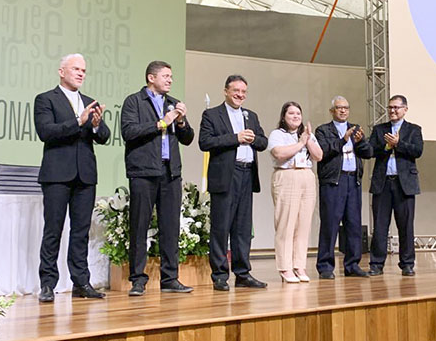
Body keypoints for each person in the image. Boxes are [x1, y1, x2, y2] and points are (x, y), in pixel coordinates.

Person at [34, 53, 110, 303]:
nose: (80, 73)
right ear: (61, 71)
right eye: (76, 69)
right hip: (57, 174)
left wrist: (97, 124)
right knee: (53, 230)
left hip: (85, 176)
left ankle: (81, 282)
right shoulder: (46, 99)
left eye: (84, 70)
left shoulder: (89, 102)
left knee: (80, 232)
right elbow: (46, 131)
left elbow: (104, 136)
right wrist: (79, 121)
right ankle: (47, 283)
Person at [121, 61, 195, 296]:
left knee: (170, 227)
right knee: (140, 226)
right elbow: (129, 132)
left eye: (171, 76)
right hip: (143, 171)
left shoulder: (173, 103)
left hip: (170, 172)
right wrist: (162, 122)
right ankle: (138, 280)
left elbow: (188, 138)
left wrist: (181, 121)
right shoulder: (134, 101)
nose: (170, 80)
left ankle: (170, 278)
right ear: (151, 78)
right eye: (165, 76)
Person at [199, 75, 268, 291]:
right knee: (221, 227)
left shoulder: (251, 116)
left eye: (243, 92)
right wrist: (235, 138)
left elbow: (263, 142)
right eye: (236, 90)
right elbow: (205, 142)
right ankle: (219, 275)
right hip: (225, 176)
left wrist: (252, 139)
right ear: (226, 91)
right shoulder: (212, 115)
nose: (240, 95)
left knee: (243, 228)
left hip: (247, 175)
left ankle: (243, 273)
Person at [315, 96, 372, 279]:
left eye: (346, 108)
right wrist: (343, 139)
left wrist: (361, 140)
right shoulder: (323, 130)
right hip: (333, 182)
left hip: (352, 181)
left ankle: (352, 265)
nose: (343, 111)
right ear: (332, 111)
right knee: (330, 224)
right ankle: (325, 266)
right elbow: (322, 152)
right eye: (339, 108)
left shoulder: (355, 128)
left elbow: (368, 153)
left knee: (353, 224)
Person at [267, 102, 323, 283]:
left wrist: (307, 139)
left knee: (303, 224)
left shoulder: (307, 134)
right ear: (283, 116)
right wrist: (300, 143)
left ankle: (299, 265)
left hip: (306, 176)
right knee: (286, 223)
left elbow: (318, 156)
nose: (295, 116)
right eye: (291, 113)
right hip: (287, 175)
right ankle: (285, 267)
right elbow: (278, 153)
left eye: (298, 113)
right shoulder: (278, 134)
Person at [368, 95, 423, 277]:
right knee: (380, 226)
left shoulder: (413, 129)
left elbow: (417, 151)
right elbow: (370, 151)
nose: (392, 111)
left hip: (404, 184)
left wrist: (398, 144)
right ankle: (376, 264)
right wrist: (386, 146)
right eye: (390, 107)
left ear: (405, 109)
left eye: (396, 108)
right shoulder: (379, 129)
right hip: (383, 183)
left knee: (406, 226)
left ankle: (407, 264)